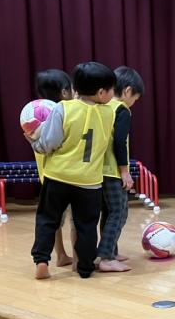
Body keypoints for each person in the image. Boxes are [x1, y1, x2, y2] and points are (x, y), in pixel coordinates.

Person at [30, 62, 116, 279]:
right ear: (101, 93)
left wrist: (34, 143)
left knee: (47, 220)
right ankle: (85, 268)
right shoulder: (109, 113)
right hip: (89, 182)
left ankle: (42, 261)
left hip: (57, 177)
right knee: (86, 226)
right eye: (111, 90)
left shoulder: (63, 108)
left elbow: (49, 143)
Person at [97, 66, 144, 272]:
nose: (134, 102)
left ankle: (111, 251)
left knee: (108, 212)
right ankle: (106, 257)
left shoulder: (103, 106)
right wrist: (125, 171)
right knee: (119, 212)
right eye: (135, 98)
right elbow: (119, 142)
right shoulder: (121, 110)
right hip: (113, 171)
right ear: (127, 90)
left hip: (98, 170)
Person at [32, 69, 75, 267]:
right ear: (65, 92)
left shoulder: (35, 114)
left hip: (48, 176)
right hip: (70, 175)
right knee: (77, 219)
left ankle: (59, 255)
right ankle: (78, 258)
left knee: (52, 220)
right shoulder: (66, 112)